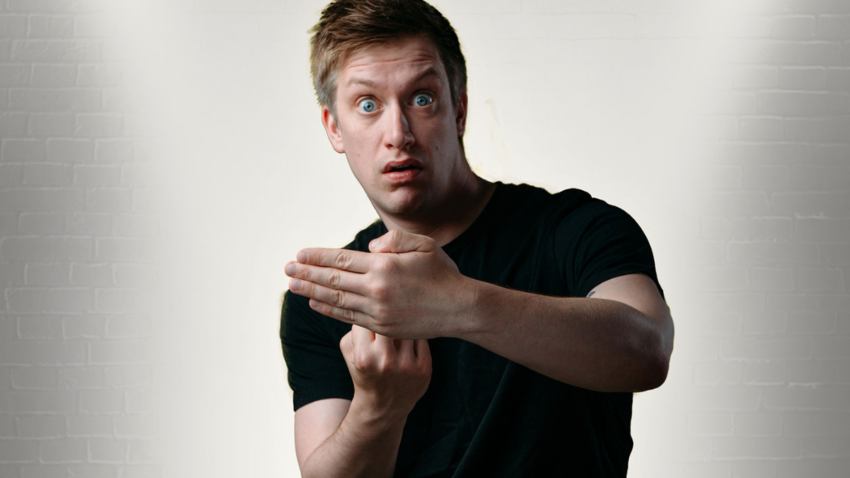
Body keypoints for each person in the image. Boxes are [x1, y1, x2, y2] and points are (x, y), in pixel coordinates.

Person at [280, 1, 674, 476]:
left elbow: (647, 350)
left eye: (422, 98)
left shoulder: (575, 229)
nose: (398, 133)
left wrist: (457, 303)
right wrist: (379, 407)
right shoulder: (325, 297)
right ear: (334, 128)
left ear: (459, 109)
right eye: (368, 105)